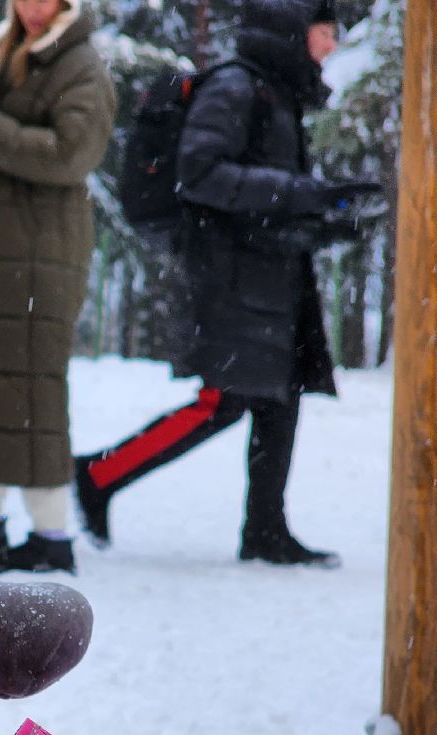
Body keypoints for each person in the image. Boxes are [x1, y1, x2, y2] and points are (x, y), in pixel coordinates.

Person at [73, 0, 374, 569]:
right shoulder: (238, 87)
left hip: (267, 273)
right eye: (327, 33)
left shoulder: (275, 92)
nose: (333, 46)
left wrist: (327, 221)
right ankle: (96, 472)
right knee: (224, 400)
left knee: (279, 397)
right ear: (295, 30)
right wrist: (303, 194)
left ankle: (266, 529)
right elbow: (202, 175)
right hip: (229, 276)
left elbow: (264, 193)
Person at [0, 0, 115, 573]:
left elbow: (71, 154)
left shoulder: (82, 64)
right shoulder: (9, 53)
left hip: (42, 252)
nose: (31, 7)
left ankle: (51, 535)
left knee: (35, 390)